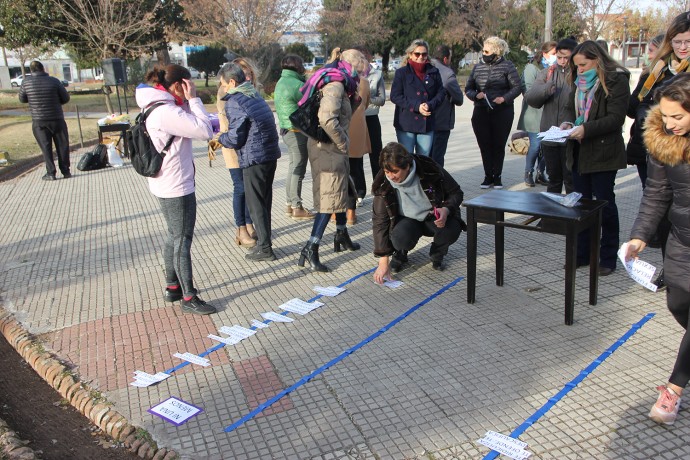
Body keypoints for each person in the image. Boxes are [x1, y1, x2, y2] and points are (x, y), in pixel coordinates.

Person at [624, 73, 690, 425]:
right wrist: (639, 237)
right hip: (681, 241)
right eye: (665, 116)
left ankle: (674, 390)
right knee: (678, 303)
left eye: (678, 116)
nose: (670, 123)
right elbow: (656, 194)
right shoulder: (663, 140)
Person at [135, 64, 215, 315]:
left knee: (173, 234)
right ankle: (188, 297)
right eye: (188, 84)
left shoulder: (157, 104)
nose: (191, 88)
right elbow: (202, 130)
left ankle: (172, 286)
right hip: (176, 185)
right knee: (182, 238)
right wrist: (194, 99)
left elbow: (195, 123)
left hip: (164, 181)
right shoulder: (167, 111)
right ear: (179, 85)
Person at [561, 40, 630, 276]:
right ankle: (582, 254)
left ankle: (607, 257)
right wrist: (569, 123)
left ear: (597, 60)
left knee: (604, 205)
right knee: (581, 205)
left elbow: (616, 118)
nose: (579, 69)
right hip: (579, 151)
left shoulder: (616, 80)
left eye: (583, 65)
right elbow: (572, 108)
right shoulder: (577, 81)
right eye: (576, 65)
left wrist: (586, 129)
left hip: (603, 153)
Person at [297, 49, 368, 272]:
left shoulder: (341, 82)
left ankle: (341, 234)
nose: (362, 75)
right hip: (327, 148)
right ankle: (311, 247)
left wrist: (354, 101)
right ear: (353, 66)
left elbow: (343, 114)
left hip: (330, 147)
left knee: (345, 190)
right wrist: (342, 142)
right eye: (361, 69)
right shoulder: (336, 85)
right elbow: (327, 118)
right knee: (329, 199)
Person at [372, 142, 465, 283]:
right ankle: (400, 254)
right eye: (387, 172)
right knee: (399, 237)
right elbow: (379, 222)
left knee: (452, 228)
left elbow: (456, 192)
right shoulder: (383, 184)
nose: (391, 176)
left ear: (407, 166)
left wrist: (446, 209)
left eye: (395, 171)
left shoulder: (428, 167)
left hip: (434, 216)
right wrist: (383, 261)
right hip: (407, 220)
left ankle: (437, 253)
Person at [219, 62, 281, 262]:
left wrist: (220, 138)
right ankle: (265, 243)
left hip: (254, 157)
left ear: (231, 81)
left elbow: (236, 137)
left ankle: (265, 248)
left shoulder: (235, 101)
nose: (223, 89)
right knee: (264, 202)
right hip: (269, 155)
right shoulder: (253, 94)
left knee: (256, 205)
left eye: (223, 84)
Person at [465, 36, 522, 189]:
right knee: (484, 144)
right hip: (481, 111)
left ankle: (497, 176)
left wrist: (504, 98)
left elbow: (517, 87)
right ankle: (487, 176)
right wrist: (475, 95)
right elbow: (468, 88)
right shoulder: (477, 68)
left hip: (502, 112)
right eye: (483, 50)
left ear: (496, 52)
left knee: (498, 145)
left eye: (487, 51)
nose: (484, 53)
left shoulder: (507, 66)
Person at [525, 37, 578, 194]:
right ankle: (552, 217)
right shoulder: (547, 73)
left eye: (566, 58)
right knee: (554, 179)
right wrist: (547, 88)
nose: (562, 61)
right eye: (559, 57)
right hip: (550, 133)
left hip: (571, 135)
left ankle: (572, 215)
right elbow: (532, 99)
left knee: (571, 179)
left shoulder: (578, 74)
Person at [215, 63, 256, 248]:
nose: (248, 78)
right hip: (232, 146)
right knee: (240, 187)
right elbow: (230, 127)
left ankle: (249, 223)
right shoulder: (225, 96)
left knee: (248, 187)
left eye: (249, 75)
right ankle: (241, 228)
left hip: (248, 147)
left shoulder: (251, 92)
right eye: (245, 75)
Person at [274, 54, 315, 220]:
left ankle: (289, 204)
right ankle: (297, 206)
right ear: (297, 67)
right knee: (298, 169)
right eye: (302, 65)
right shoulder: (297, 84)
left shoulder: (281, 81)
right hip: (296, 132)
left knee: (293, 168)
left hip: (286, 130)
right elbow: (311, 101)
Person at [390, 39, 445, 156]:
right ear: (410, 54)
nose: (421, 57)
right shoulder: (402, 73)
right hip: (406, 123)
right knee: (406, 159)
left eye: (424, 54)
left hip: (426, 123)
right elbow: (395, 96)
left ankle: (421, 175)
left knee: (423, 159)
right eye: (417, 54)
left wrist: (429, 105)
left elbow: (441, 93)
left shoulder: (433, 72)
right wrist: (416, 106)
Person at [18, 61, 71, 181]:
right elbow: (66, 98)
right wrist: (57, 103)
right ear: (43, 69)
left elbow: (22, 99)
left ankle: (51, 173)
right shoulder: (54, 81)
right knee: (62, 145)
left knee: (45, 147)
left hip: (39, 120)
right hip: (57, 118)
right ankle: (66, 171)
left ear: (31, 71)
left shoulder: (26, 82)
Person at [517, 41, 557, 186]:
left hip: (550, 114)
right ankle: (528, 172)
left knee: (547, 146)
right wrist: (545, 94)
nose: (556, 57)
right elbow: (527, 91)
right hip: (534, 113)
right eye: (553, 54)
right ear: (545, 54)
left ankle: (541, 173)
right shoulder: (532, 68)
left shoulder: (556, 68)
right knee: (535, 145)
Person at [430, 44, 464, 167]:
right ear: (445, 59)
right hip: (441, 122)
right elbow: (459, 99)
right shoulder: (447, 73)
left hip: (421, 122)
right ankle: (436, 185)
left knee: (424, 157)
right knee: (437, 158)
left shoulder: (423, 68)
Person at [363, 48, 386, 185]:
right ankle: (359, 191)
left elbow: (382, 100)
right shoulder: (350, 74)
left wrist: (368, 98)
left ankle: (379, 186)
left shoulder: (376, 74)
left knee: (376, 154)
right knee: (356, 157)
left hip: (371, 117)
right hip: (355, 119)